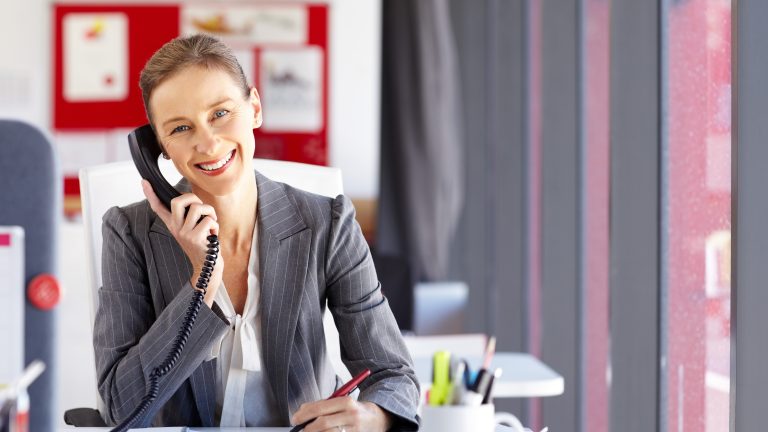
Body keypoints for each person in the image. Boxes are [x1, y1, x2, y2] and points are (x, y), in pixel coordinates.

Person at [93, 34, 420, 431]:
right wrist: (201, 286)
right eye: (180, 128)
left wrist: (374, 417)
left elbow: (393, 375)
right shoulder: (129, 232)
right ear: (157, 148)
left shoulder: (328, 222)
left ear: (255, 108)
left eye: (220, 113)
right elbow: (119, 408)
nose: (208, 142)